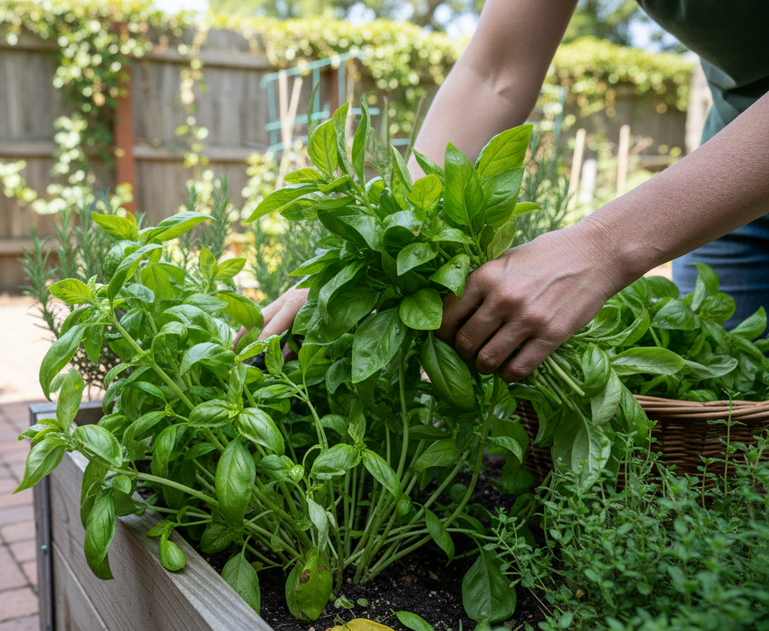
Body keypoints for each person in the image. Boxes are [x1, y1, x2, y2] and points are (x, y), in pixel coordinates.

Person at [248, 0, 769, 383]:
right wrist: (371, 259)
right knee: (726, 410)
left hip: (738, 173)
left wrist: (602, 244)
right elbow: (494, 73)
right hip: (734, 167)